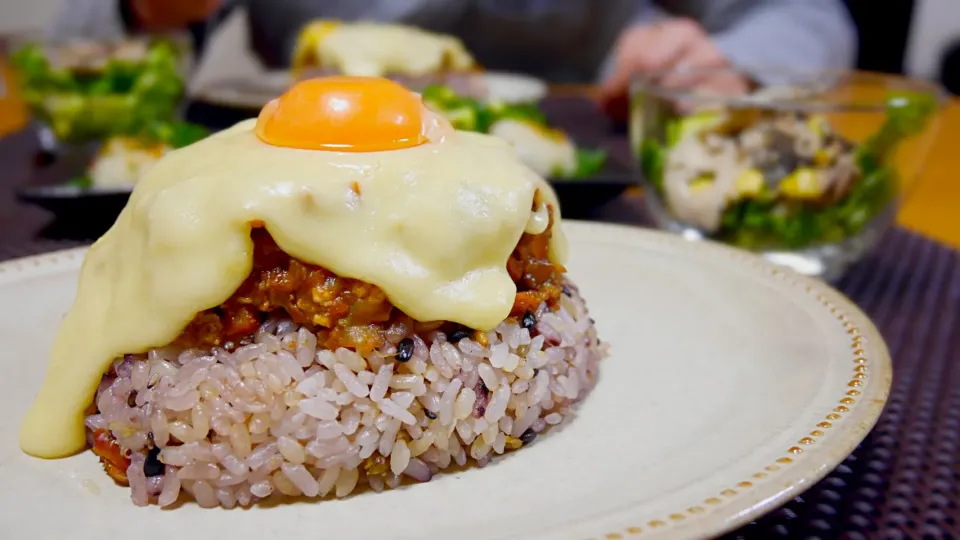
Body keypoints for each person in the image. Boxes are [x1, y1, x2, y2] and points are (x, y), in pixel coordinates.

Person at [49, 0, 857, 111]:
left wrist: (722, 56)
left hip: (592, 161)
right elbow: (59, 41)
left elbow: (811, 14)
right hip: (308, 163)